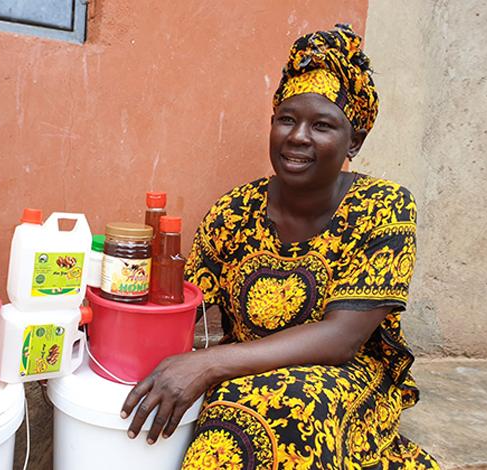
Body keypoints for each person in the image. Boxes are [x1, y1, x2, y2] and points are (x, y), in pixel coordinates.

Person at [120, 24, 439, 469]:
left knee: (292, 408)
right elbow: (187, 307)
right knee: (234, 411)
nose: (298, 136)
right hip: (240, 374)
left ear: (356, 141)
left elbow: (343, 338)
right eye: (286, 119)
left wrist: (211, 365)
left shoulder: (383, 207)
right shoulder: (233, 210)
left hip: (342, 377)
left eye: (322, 125)